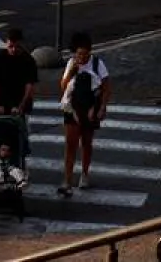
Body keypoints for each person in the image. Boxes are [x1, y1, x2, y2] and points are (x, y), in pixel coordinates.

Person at [57, 31, 111, 196]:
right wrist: (72, 72)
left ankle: (84, 174)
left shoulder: (97, 64)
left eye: (84, 54)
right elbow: (63, 86)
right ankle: (67, 180)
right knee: (70, 144)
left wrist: (102, 107)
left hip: (90, 109)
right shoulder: (71, 64)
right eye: (79, 53)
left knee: (86, 143)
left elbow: (106, 88)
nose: (81, 57)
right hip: (72, 108)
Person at [0, 28, 38, 152]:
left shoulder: (28, 61)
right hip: (1, 102)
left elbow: (29, 86)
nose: (14, 50)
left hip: (19, 101)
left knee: (21, 136)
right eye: (11, 46)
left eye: (17, 47)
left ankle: (22, 154)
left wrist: (21, 106)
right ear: (6, 44)